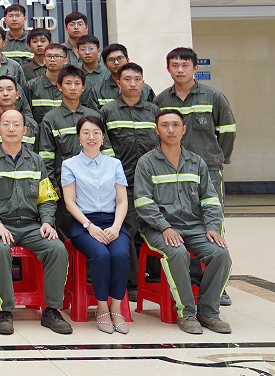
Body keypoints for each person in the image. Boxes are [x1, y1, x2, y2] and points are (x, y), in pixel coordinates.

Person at [135, 110, 232, 334]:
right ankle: (186, 313)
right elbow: (143, 202)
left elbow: (210, 199)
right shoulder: (147, 163)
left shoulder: (196, 162)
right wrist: (164, 227)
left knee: (221, 254)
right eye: (165, 125)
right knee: (177, 252)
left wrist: (212, 227)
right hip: (158, 228)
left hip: (194, 226)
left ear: (184, 129)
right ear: (156, 130)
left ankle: (208, 312)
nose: (171, 130)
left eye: (175, 125)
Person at [0, 110, 72, 336]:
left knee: (57, 248)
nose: (11, 129)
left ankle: (51, 310)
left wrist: (47, 221)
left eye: (16, 124)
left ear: (24, 130)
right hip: (0, 225)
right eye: (6, 124)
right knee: (0, 249)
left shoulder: (36, 161)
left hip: (31, 225)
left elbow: (47, 198)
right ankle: (5, 311)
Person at [61, 116, 130, 334]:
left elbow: (122, 201)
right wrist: (89, 226)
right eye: (86, 133)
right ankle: (102, 307)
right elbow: (70, 202)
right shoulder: (69, 165)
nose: (91, 137)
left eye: (96, 133)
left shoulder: (114, 164)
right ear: (78, 137)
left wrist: (116, 227)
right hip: (83, 223)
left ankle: (116, 308)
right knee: (101, 255)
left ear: (102, 137)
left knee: (120, 254)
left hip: (112, 221)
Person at [101, 62, 160, 297]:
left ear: (143, 82)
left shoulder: (154, 111)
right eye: (127, 79)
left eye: (137, 79)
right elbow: (104, 146)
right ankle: (133, 283)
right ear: (119, 83)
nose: (132, 83)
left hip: (153, 182)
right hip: (123, 182)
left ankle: (155, 276)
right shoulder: (108, 111)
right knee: (127, 229)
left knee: (155, 225)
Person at [154, 47, 236, 209]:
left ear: (195, 68)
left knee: (212, 212)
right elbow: (156, 134)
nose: (180, 70)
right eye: (175, 65)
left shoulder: (214, 97)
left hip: (208, 167)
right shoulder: (160, 101)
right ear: (168, 69)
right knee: (177, 214)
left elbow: (228, 132)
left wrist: (217, 157)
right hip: (172, 169)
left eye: (185, 65)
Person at [37, 66, 113, 187]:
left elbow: (106, 149)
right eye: (68, 83)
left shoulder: (94, 116)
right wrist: (52, 184)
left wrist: (109, 176)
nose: (73, 87)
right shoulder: (50, 119)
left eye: (77, 83)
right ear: (59, 86)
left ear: (83, 87)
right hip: (64, 182)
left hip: (95, 181)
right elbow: (46, 155)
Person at [0, 76, 40, 153]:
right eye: (0, 90)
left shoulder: (31, 124)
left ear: (17, 94)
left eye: (9, 89)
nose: (5, 94)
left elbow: (37, 155)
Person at [84, 43, 155, 109]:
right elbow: (95, 116)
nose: (116, 63)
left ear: (127, 60)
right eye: (111, 60)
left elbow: (154, 112)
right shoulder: (97, 91)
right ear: (105, 65)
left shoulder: (145, 89)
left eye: (120, 58)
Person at [25, 42, 69, 124]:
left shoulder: (70, 86)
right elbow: (26, 113)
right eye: (49, 56)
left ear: (66, 60)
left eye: (57, 56)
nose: (52, 59)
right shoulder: (32, 86)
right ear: (44, 60)